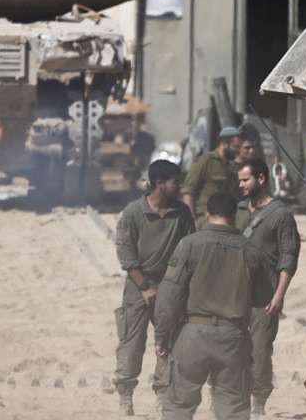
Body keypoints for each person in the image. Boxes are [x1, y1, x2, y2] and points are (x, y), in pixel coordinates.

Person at [155, 191, 273, 420]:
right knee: (233, 410)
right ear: (234, 216)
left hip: (192, 335)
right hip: (233, 338)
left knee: (178, 407)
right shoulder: (250, 251)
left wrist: (162, 337)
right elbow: (262, 298)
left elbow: (168, 297)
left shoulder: (189, 245)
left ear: (207, 213)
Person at [113, 159, 196, 416]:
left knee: (168, 345)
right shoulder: (133, 213)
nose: (180, 186)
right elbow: (126, 254)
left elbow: (189, 249)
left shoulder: (181, 213)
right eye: (175, 182)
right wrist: (145, 287)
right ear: (160, 184)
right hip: (139, 287)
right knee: (131, 343)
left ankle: (162, 396)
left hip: (171, 288)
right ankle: (125, 398)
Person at [235, 158, 300, 418]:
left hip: (264, 298)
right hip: (233, 296)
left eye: (245, 179)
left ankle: (258, 404)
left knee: (260, 353)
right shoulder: (238, 210)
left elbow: (288, 257)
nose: (240, 184)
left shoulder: (280, 215)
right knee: (231, 350)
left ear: (261, 179)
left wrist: (279, 295)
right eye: (239, 179)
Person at [182, 126, 242, 222]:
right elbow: (188, 192)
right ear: (224, 144)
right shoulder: (206, 161)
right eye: (235, 147)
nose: (238, 151)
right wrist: (191, 220)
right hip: (204, 218)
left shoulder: (230, 167)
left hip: (224, 217)